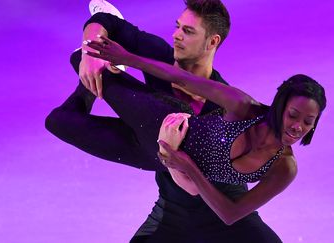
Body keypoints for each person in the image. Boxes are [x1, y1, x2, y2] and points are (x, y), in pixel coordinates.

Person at [46, 0, 283, 242]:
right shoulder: (160, 56)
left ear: (212, 42)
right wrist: (89, 54)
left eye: (187, 31)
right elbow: (106, 21)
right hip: (172, 212)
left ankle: (103, 76)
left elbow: (193, 181)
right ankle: (97, 77)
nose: (176, 35)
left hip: (219, 209)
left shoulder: (227, 105)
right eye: (178, 26)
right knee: (59, 122)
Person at [84, 35, 327, 224]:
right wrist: (128, 58)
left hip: (169, 161)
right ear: (280, 106)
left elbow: (230, 214)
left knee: (61, 122)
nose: (298, 127)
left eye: (308, 121)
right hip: (166, 121)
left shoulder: (284, 167)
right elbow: (182, 79)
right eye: (293, 115)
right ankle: (113, 52)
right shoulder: (243, 107)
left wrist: (186, 166)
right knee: (87, 72)